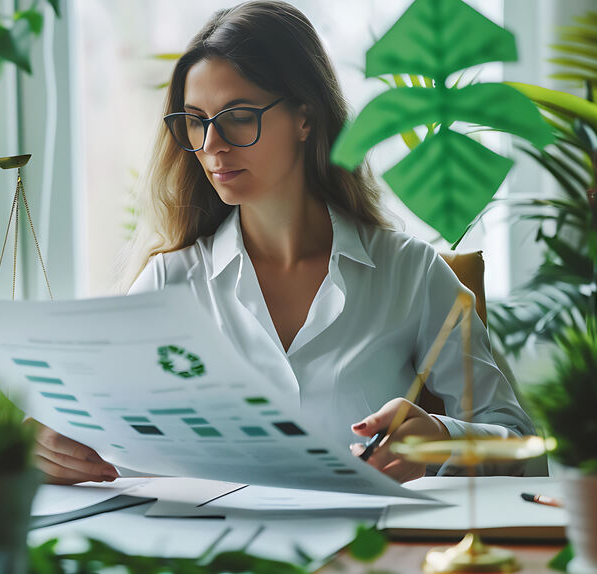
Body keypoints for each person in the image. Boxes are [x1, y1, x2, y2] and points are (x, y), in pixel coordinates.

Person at [27, 0, 534, 485]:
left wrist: (441, 440)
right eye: (196, 121)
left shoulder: (410, 273)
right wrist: (46, 444)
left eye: (238, 117)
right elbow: (102, 436)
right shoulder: (169, 283)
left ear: (305, 118)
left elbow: (520, 445)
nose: (211, 145)